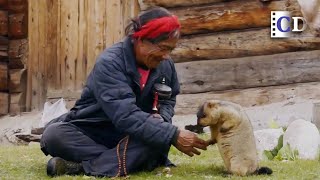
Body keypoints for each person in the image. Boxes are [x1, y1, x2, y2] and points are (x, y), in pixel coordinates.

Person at [40, 7, 208, 177]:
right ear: (141, 39)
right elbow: (125, 115)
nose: (166, 56)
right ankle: (131, 160)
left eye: (170, 50)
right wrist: (172, 134)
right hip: (94, 131)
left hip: (134, 135)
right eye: (163, 48)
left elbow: (168, 99)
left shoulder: (165, 65)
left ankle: (80, 167)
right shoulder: (110, 63)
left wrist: (163, 119)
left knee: (156, 137)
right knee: (54, 135)